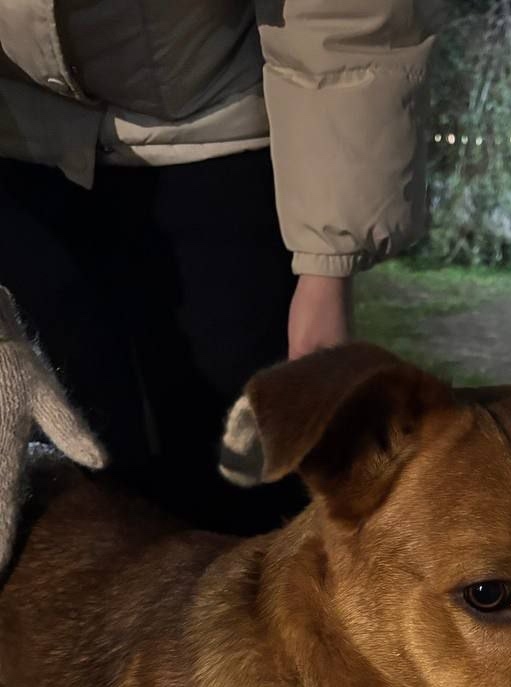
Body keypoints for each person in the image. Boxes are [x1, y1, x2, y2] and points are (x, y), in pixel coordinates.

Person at [0, 0, 438, 533]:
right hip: (16, 147)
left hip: (216, 136)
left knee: (247, 501)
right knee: (75, 510)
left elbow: (342, 19)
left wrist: (326, 267)